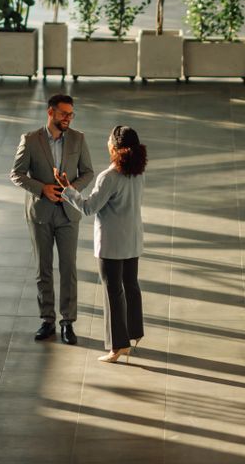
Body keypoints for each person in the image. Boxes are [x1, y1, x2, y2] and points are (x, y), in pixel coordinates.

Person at [55, 124, 146, 364]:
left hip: (111, 244)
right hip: (133, 240)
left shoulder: (109, 177)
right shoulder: (138, 172)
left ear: (115, 147)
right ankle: (133, 334)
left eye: (109, 140)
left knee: (113, 293)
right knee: (131, 286)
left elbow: (89, 208)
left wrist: (68, 189)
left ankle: (117, 347)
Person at [10, 94, 93, 345]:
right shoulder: (30, 140)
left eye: (71, 114)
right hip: (41, 213)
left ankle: (68, 322)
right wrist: (42, 189)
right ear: (50, 112)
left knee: (68, 268)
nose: (68, 118)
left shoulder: (78, 138)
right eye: (63, 114)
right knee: (43, 269)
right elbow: (16, 174)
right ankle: (47, 319)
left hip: (68, 212)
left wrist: (70, 189)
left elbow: (88, 172)